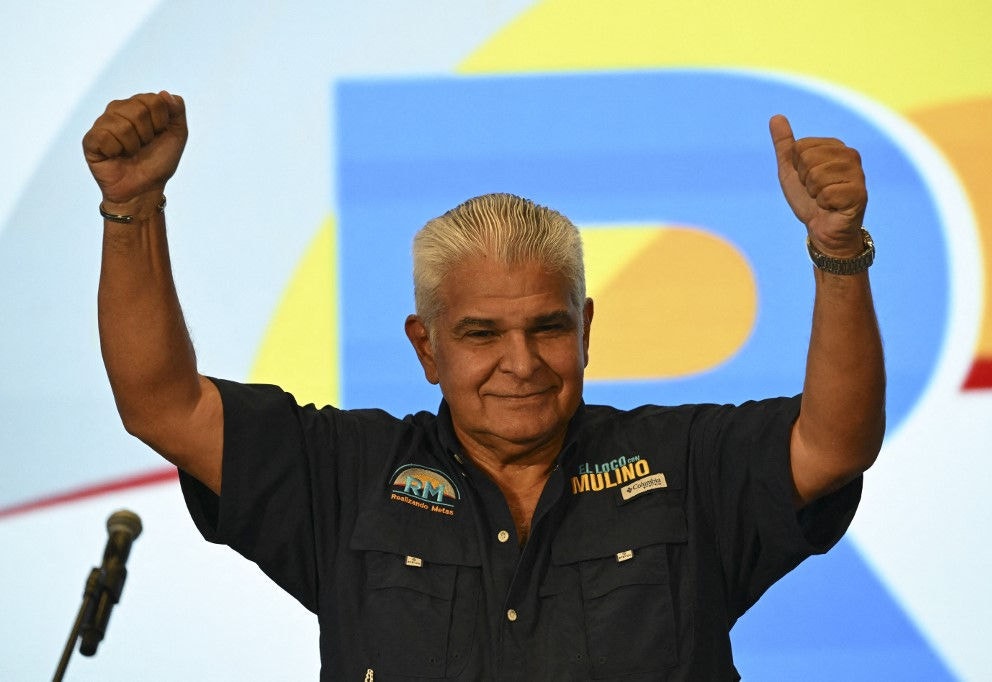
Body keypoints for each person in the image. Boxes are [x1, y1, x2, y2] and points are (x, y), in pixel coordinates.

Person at [84, 91, 885, 681]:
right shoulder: (347, 474)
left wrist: (839, 251)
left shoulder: (686, 463)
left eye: (547, 327)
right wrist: (133, 205)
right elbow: (163, 404)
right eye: (481, 335)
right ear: (425, 347)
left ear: (585, 331)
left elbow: (834, 442)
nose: (523, 362)